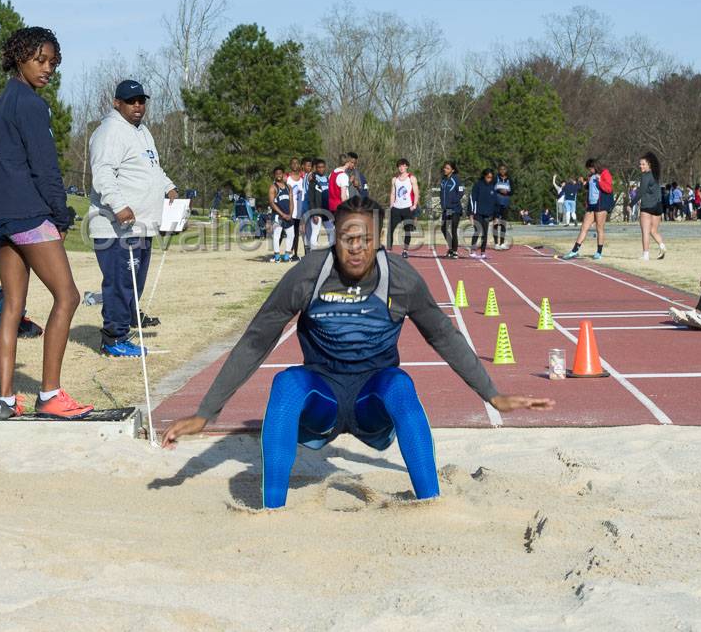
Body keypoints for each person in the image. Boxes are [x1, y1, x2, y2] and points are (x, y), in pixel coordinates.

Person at [160, 196, 554, 508]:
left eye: (365, 239)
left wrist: (491, 393)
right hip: (323, 401)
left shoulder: (400, 279)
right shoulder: (308, 274)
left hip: (372, 403)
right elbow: (256, 339)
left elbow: (444, 336)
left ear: (378, 241)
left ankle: (431, 505)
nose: (356, 249)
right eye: (348, 238)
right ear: (335, 238)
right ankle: (272, 515)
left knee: (401, 385)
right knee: (285, 385)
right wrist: (206, 412)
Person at [0, 26, 92, 420]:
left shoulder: (4, 99)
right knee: (68, 296)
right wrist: (61, 214)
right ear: (19, 58)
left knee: (13, 305)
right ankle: (50, 395)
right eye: (39, 60)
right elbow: (45, 167)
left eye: (52, 63)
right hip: (27, 213)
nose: (47, 69)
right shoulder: (30, 104)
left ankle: (6, 400)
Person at [87, 78, 178, 357]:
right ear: (117, 103)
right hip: (116, 228)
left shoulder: (143, 132)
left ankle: (122, 331)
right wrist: (119, 205)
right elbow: (102, 173)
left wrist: (169, 187)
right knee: (120, 283)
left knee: (133, 284)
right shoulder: (110, 131)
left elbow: (153, 169)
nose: (137, 106)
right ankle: (113, 339)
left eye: (141, 101)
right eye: (131, 101)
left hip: (142, 226)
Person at [562, 159, 613, 260]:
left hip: (601, 204)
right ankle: (574, 250)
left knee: (599, 228)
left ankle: (599, 252)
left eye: (590, 168)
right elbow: (590, 187)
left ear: (595, 166)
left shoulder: (605, 173)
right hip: (591, 205)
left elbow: (609, 188)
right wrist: (584, 183)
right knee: (584, 227)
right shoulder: (591, 175)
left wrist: (600, 180)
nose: (589, 171)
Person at [636, 152, 666, 261]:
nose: (641, 166)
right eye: (640, 164)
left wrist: (631, 204)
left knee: (645, 231)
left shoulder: (645, 176)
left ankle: (646, 255)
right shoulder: (656, 175)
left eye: (643, 164)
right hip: (658, 206)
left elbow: (641, 192)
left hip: (647, 206)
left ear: (649, 164)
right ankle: (662, 246)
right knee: (653, 231)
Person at [387, 158, 419, 258]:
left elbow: (416, 192)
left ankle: (405, 250)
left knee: (407, 230)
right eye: (399, 166)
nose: (401, 168)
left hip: (407, 208)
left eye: (403, 165)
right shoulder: (394, 179)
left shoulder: (412, 178)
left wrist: (414, 205)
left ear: (407, 166)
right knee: (390, 229)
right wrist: (391, 205)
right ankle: (389, 249)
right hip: (396, 208)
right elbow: (392, 193)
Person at [268, 166, 296, 263]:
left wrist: (290, 214)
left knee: (291, 235)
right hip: (277, 215)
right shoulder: (273, 187)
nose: (279, 175)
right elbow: (272, 203)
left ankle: (287, 255)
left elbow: (291, 201)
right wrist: (282, 214)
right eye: (277, 174)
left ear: (283, 174)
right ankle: (277, 256)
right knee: (277, 235)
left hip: (288, 215)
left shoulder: (289, 187)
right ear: (274, 175)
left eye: (280, 173)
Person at [468, 168, 497, 259]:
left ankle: (483, 252)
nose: (489, 179)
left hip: (487, 214)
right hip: (478, 213)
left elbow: (495, 202)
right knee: (477, 231)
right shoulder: (478, 185)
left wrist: (495, 216)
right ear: (484, 176)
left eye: (491, 177)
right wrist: (471, 214)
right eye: (488, 177)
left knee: (485, 233)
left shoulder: (493, 186)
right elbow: (472, 199)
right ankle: (472, 251)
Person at [438, 161, 464, 259]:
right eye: (445, 168)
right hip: (446, 209)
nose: (445, 169)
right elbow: (441, 193)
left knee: (453, 229)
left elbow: (461, 192)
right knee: (444, 228)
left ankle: (455, 251)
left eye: (448, 168)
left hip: (455, 209)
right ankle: (451, 248)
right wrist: (442, 203)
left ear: (452, 170)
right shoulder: (443, 180)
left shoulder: (456, 179)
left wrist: (453, 201)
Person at [285, 157, 307, 259]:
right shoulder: (287, 178)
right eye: (293, 163)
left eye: (296, 163)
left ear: (299, 165)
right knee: (286, 232)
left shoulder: (303, 178)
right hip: (289, 208)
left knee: (296, 232)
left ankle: (295, 254)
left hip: (299, 209)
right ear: (290, 165)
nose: (295, 165)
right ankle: (281, 253)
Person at [307, 159, 332, 247]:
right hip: (317, 210)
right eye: (319, 167)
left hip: (327, 210)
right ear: (316, 168)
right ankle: (313, 253)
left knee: (331, 231)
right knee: (315, 232)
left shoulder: (327, 179)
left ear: (325, 168)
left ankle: (331, 251)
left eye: (322, 167)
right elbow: (311, 198)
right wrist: (314, 213)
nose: (321, 169)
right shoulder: (313, 180)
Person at [492, 163, 513, 249]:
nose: (502, 171)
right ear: (498, 170)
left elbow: (513, 191)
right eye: (501, 169)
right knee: (496, 223)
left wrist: (506, 192)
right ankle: (496, 243)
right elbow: (491, 189)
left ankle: (502, 243)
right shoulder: (495, 178)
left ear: (506, 170)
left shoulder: (509, 179)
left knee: (503, 223)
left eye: (504, 169)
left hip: (505, 203)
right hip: (496, 204)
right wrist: (499, 190)